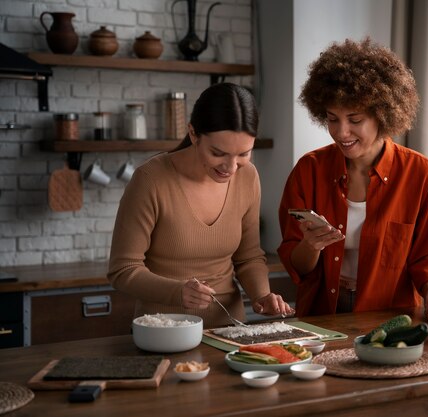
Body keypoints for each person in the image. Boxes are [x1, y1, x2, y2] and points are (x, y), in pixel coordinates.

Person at [278, 38, 428, 316]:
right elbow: (296, 264)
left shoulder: (420, 175)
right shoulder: (308, 171)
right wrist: (310, 245)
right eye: (332, 118)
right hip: (322, 314)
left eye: (355, 120)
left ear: (383, 115)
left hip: (390, 315)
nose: (341, 132)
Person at [108, 82, 294, 328]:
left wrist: (262, 295)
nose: (230, 167)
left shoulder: (248, 176)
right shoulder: (150, 179)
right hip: (163, 331)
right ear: (194, 134)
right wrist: (178, 292)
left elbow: (248, 258)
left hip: (230, 330)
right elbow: (123, 270)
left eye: (243, 154)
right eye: (218, 153)